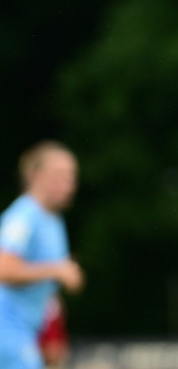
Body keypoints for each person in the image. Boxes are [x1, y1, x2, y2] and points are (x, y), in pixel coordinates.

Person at [0, 141, 85, 369]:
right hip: (6, 331)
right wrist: (57, 269)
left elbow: (45, 285)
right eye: (59, 175)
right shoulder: (23, 216)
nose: (68, 184)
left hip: (25, 332)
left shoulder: (53, 221)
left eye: (71, 176)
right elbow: (3, 268)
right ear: (33, 176)